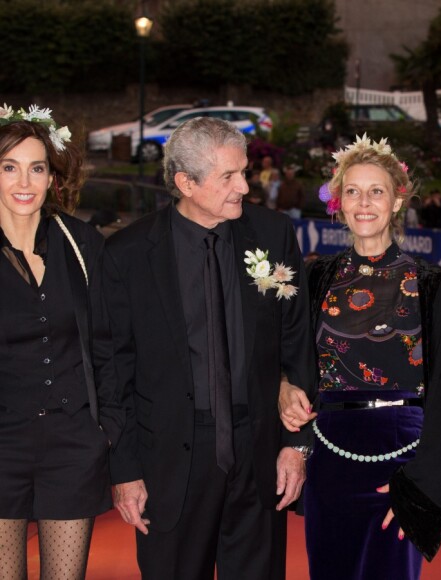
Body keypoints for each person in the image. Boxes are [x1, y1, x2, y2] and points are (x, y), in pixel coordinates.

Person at [102, 117, 314, 580]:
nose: (244, 185)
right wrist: (125, 469)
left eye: (243, 172)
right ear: (185, 182)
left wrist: (295, 445)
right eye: (229, 176)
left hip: (258, 457)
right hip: (169, 463)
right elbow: (115, 371)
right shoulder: (128, 254)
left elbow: (297, 340)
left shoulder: (273, 234)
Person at [279, 134, 441, 579]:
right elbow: (292, 360)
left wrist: (421, 483)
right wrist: (284, 388)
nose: (364, 202)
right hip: (329, 459)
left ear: (397, 201)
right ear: (338, 203)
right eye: (352, 191)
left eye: (376, 191)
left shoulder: (431, 282)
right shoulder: (317, 276)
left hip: (404, 460)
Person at [0, 104, 124, 579]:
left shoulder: (82, 243)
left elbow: (110, 343)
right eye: (9, 168)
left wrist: (105, 428)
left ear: (53, 177)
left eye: (36, 168)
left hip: (73, 445)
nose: (24, 182)